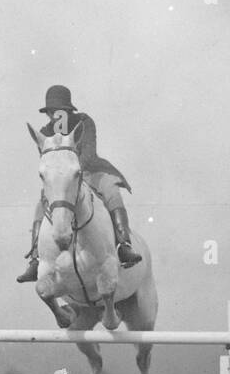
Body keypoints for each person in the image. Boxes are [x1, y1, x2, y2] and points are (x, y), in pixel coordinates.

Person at [18, 85, 141, 282]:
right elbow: (48, 164)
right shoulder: (44, 132)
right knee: (40, 207)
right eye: (51, 111)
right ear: (48, 113)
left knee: (111, 191)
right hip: (62, 182)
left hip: (91, 170)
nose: (54, 115)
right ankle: (35, 259)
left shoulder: (83, 122)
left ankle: (124, 245)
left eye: (59, 110)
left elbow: (89, 153)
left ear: (68, 110)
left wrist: (73, 171)